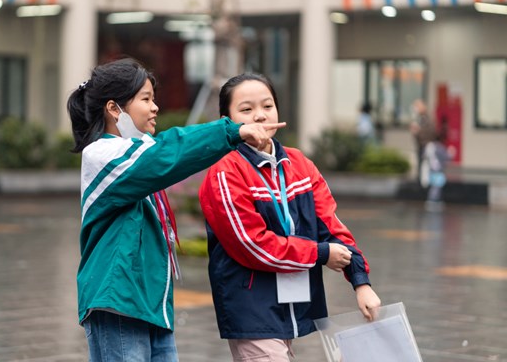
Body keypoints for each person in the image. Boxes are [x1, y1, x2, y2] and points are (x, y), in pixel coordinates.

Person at [67, 58, 285, 362]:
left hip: (148, 304)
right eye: (146, 99)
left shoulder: (136, 153)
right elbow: (168, 152)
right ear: (114, 109)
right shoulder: (102, 154)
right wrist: (232, 131)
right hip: (119, 303)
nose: (155, 108)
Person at [198, 72, 381, 362]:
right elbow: (253, 245)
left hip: (292, 303)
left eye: (267, 105)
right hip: (252, 307)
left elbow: (331, 226)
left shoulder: (299, 164)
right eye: (246, 109)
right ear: (227, 121)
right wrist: (320, 253)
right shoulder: (225, 171)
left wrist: (361, 282)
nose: (260, 115)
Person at [421, 132, 451, 211]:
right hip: (438, 170)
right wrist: (451, 153)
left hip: (431, 170)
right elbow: (446, 157)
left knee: (434, 186)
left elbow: (424, 156)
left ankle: (434, 200)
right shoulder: (440, 147)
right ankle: (432, 201)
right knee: (436, 187)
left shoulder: (429, 146)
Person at [410, 99, 435, 183]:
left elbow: (429, 132)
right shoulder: (420, 118)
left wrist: (417, 131)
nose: (415, 109)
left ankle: (424, 184)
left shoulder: (425, 119)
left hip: (425, 145)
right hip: (421, 145)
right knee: (421, 165)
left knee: (425, 165)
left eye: (416, 107)